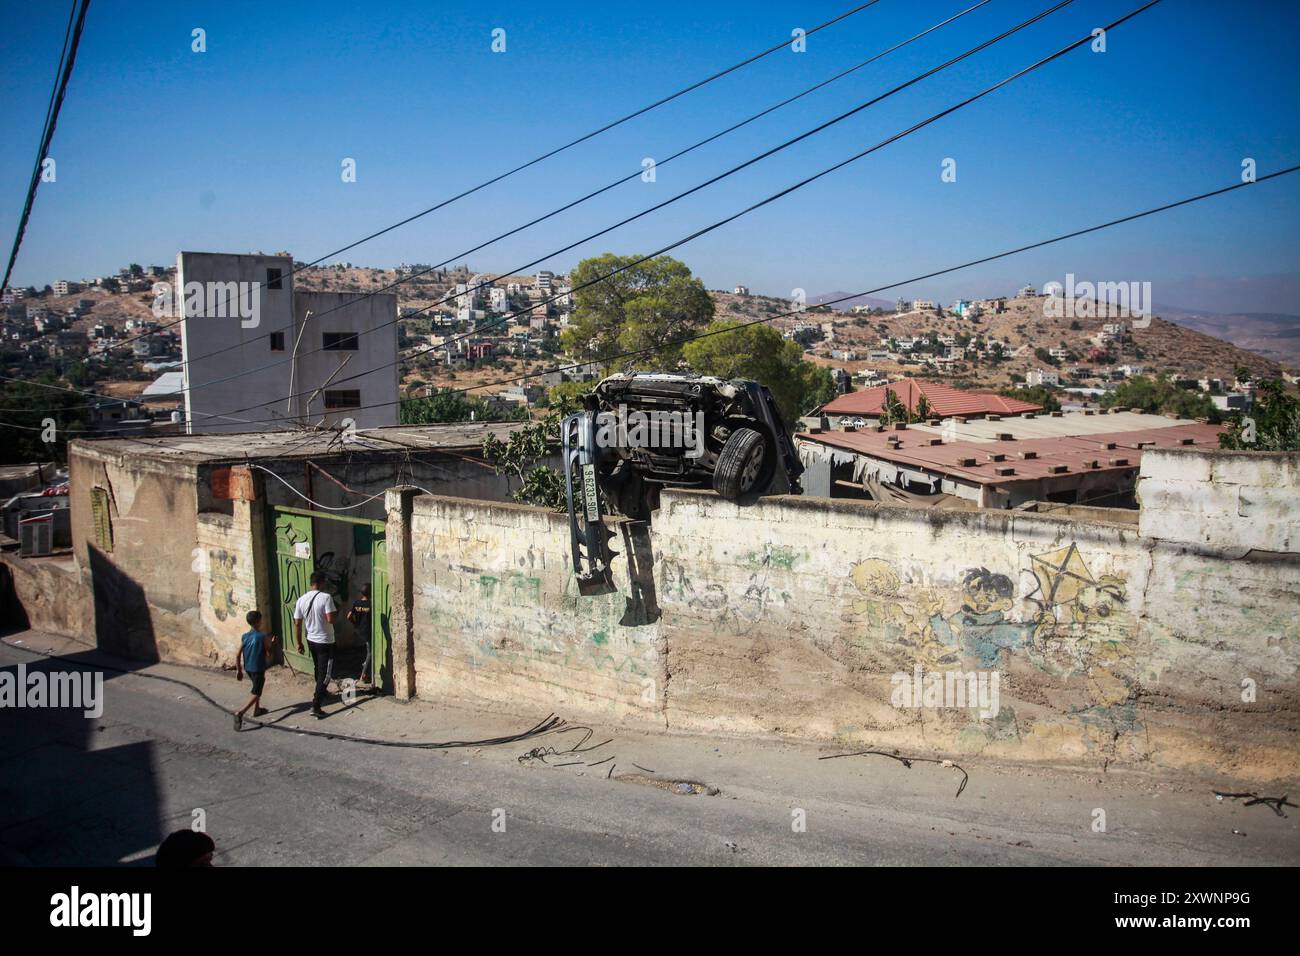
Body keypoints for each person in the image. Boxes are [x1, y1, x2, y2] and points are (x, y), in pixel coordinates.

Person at [293, 572, 337, 718]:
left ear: (311, 583)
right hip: (326, 641)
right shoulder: (326, 598)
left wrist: (299, 643)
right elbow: (330, 620)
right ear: (322, 582)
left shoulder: (301, 600)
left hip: (311, 640)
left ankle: (322, 692)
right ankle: (316, 705)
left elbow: (297, 624)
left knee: (318, 668)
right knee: (325, 674)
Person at [234, 610, 273, 730]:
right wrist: (271, 644)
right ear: (259, 621)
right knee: (257, 693)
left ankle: (257, 710)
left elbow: (237, 654)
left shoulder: (245, 636)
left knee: (257, 687)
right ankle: (240, 712)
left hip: (248, 668)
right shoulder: (262, 636)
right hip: (258, 668)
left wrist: (239, 670)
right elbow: (268, 653)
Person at [347, 584, 372, 685]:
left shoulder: (356, 603)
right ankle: (364, 674)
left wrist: (355, 624)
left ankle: (365, 664)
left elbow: (349, 616)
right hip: (367, 631)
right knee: (370, 653)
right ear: (370, 593)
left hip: (359, 631)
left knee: (367, 651)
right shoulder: (370, 604)